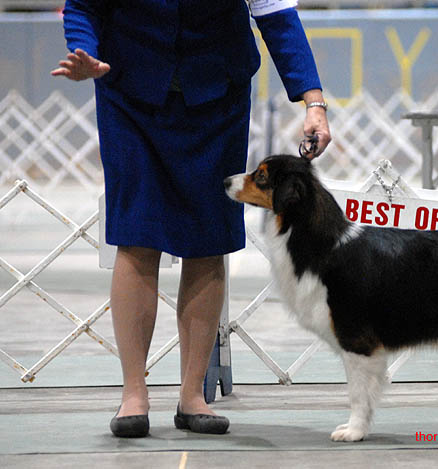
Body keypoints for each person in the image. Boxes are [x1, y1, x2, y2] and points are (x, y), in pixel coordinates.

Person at [52, 0, 331, 438]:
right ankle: (133, 394)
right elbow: (83, 5)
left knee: (208, 237)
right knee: (136, 234)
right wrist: (84, 50)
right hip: (129, 94)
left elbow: (277, 14)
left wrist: (314, 102)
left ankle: (192, 396)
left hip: (218, 98)